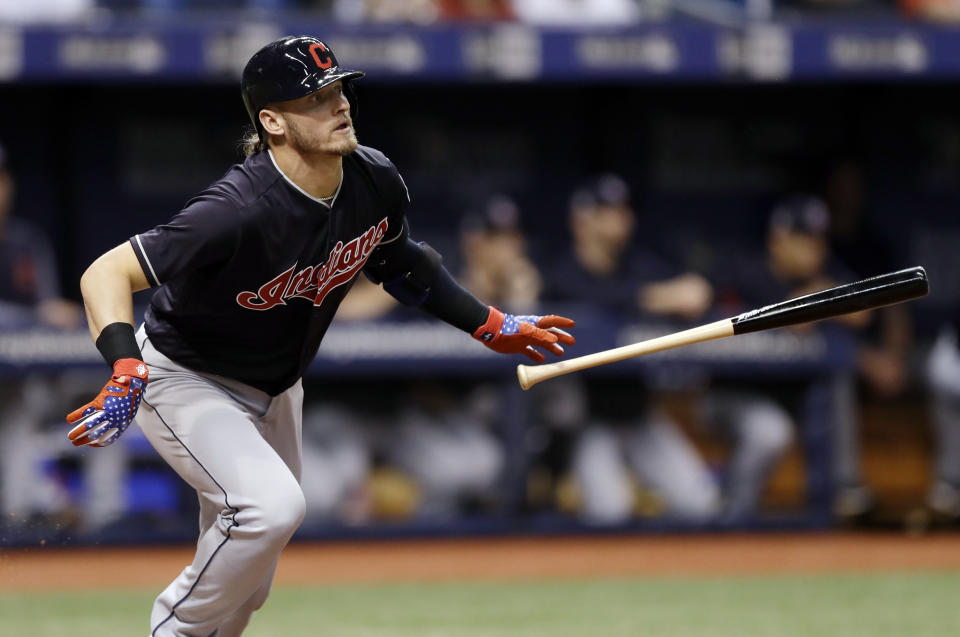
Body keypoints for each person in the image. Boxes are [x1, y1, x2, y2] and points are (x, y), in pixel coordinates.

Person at [64, 35, 575, 637]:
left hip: (277, 386)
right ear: (272, 121)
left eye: (338, 90)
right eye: (316, 97)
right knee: (271, 509)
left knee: (249, 589)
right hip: (187, 377)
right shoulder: (239, 205)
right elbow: (107, 271)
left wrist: (487, 323)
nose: (339, 105)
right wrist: (124, 365)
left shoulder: (372, 179)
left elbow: (401, 263)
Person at [541, 174, 724, 523]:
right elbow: (590, 299)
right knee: (609, 511)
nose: (621, 218)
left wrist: (690, 290)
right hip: (587, 421)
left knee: (700, 504)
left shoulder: (639, 266)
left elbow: (693, 290)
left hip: (640, 414)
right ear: (582, 220)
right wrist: (658, 297)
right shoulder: (560, 274)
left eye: (623, 210)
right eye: (608, 211)